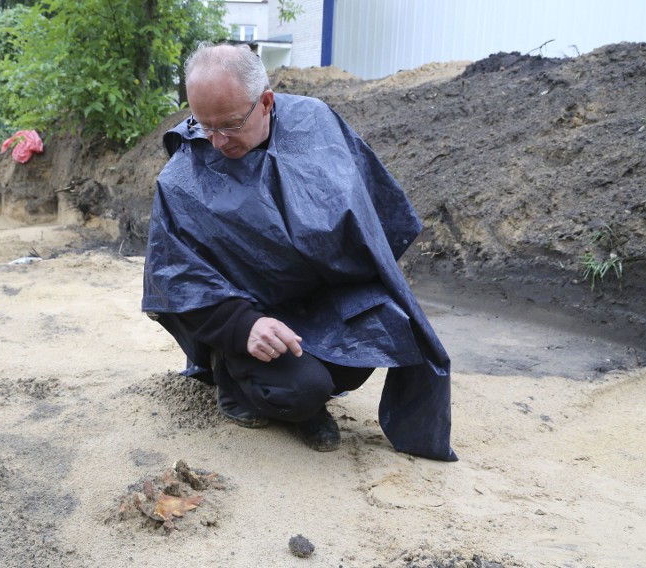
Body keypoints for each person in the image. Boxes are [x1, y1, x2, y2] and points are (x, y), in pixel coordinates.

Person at [142, 42, 457, 461]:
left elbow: (368, 209)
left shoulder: (315, 123)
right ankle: (236, 382)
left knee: (387, 331)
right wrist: (243, 326)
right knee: (304, 389)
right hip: (247, 314)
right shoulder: (182, 180)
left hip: (320, 296)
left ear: (266, 103)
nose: (217, 142)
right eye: (204, 126)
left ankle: (297, 387)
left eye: (231, 125)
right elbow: (175, 279)